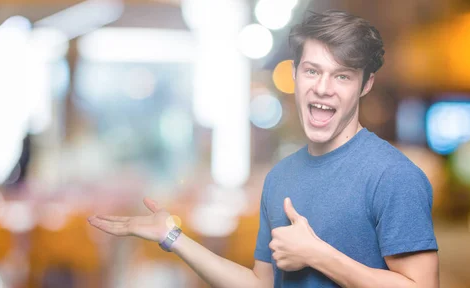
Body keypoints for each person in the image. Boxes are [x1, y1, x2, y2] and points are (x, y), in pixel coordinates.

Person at [88, 9, 439, 288]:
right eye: (312, 71)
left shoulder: (394, 175)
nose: (323, 88)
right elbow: (261, 283)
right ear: (296, 75)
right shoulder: (280, 177)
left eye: (342, 75)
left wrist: (318, 255)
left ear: (365, 85)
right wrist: (172, 237)